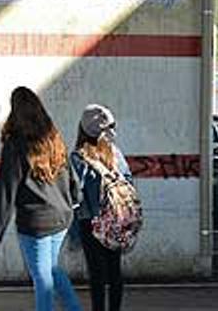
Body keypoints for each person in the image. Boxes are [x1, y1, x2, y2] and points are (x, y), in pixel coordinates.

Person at [0, 86, 83, 311]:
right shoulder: (53, 137)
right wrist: (75, 202)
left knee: (42, 278)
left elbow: (5, 194)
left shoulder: (16, 145)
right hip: (61, 218)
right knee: (51, 270)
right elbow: (71, 177)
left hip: (36, 223)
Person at [70, 104, 132, 311]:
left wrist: (73, 231)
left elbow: (76, 193)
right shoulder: (115, 153)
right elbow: (129, 180)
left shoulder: (79, 157)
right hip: (115, 218)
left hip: (91, 221)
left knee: (96, 274)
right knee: (114, 271)